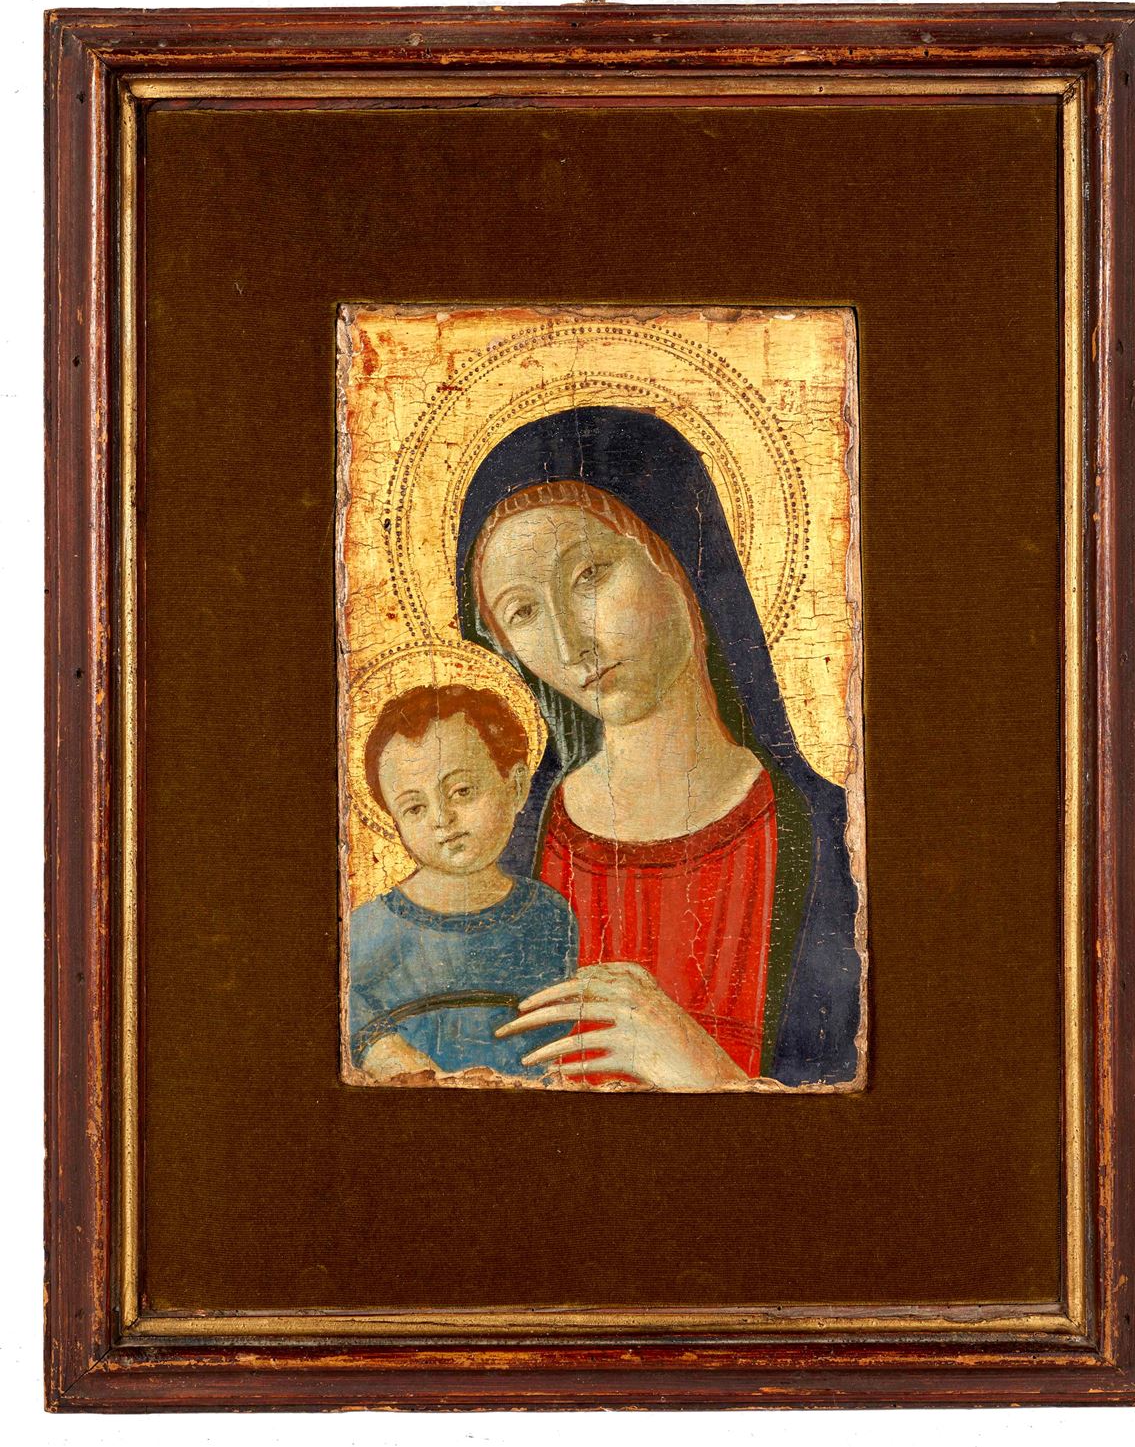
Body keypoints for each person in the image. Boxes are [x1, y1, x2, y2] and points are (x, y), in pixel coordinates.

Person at [453, 407, 862, 1090]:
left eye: (589, 575)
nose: (570, 643)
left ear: (680, 556)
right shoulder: (507, 858)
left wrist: (707, 1075)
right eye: (522, 612)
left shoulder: (836, 845)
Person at [348, 684, 577, 1080]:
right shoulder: (367, 930)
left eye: (461, 791)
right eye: (415, 807)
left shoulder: (550, 915)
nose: (442, 819)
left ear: (516, 786)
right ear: (396, 824)